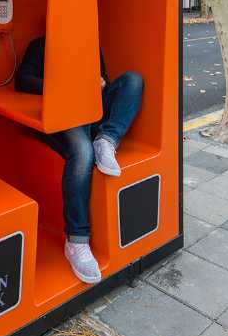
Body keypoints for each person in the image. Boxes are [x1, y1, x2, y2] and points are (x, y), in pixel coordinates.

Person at [15, 37, 143, 284]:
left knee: (133, 81)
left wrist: (101, 83)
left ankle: (107, 139)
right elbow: (23, 81)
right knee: (83, 154)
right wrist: (63, 87)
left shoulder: (91, 44)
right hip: (63, 113)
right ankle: (77, 241)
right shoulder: (41, 44)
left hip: (92, 110)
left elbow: (103, 80)